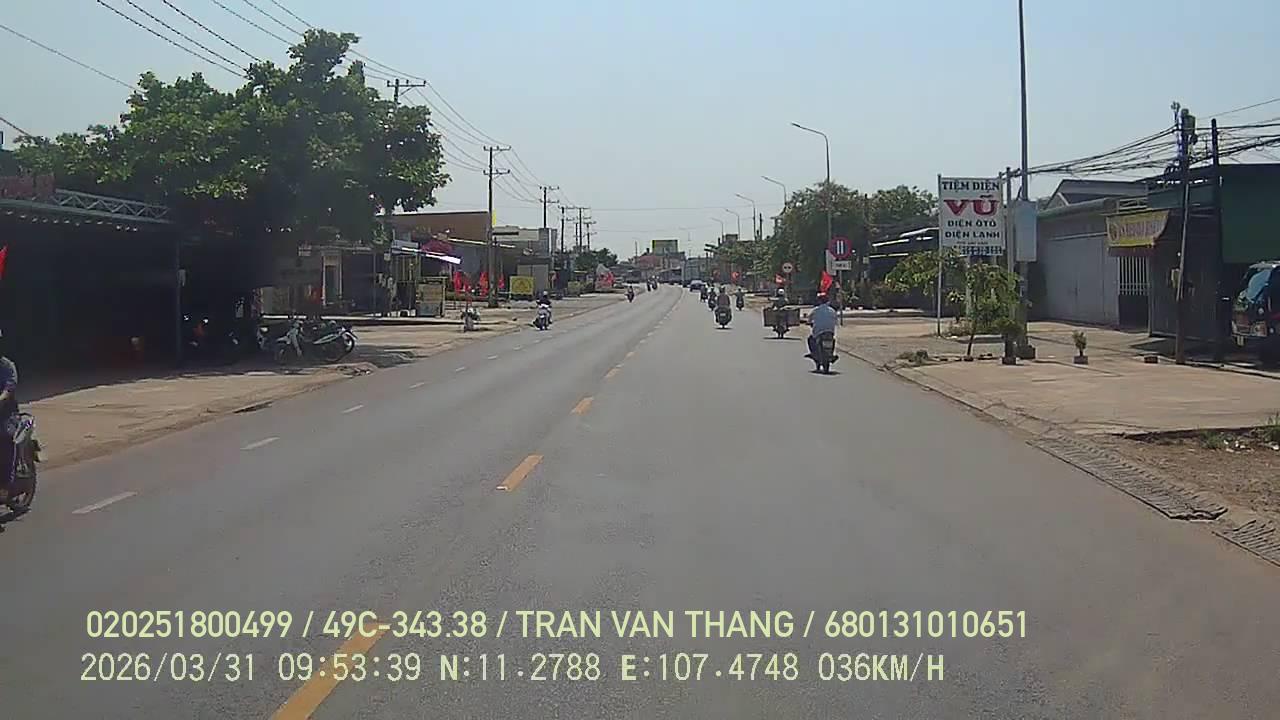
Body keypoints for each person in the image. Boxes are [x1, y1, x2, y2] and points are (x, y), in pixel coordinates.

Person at [0, 331, 18, 496]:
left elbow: (9, 387)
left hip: (6, 414)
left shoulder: (6, 366)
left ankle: (5, 485)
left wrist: (1, 398)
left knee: (5, 438)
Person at [805, 293, 839, 362]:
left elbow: (809, 319)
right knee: (833, 340)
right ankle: (831, 354)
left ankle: (813, 353)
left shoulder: (815, 310)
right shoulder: (832, 310)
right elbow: (836, 322)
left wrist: (809, 322)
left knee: (810, 339)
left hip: (818, 332)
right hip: (830, 332)